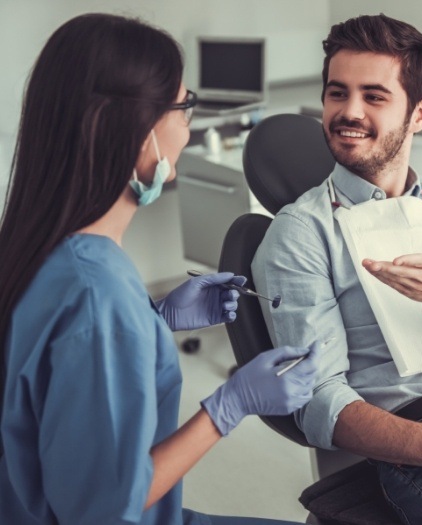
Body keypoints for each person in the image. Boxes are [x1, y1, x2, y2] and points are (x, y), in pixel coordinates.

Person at [0, 13, 322, 525]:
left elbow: (57, 371)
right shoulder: (96, 294)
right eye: (185, 106)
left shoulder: (41, 245)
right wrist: (230, 405)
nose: (189, 125)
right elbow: (101, 511)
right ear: (138, 134)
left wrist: (154, 318)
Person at [252, 13, 422, 525]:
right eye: (338, 93)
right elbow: (319, 404)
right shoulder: (301, 231)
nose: (348, 112)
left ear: (420, 113)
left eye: (374, 97)